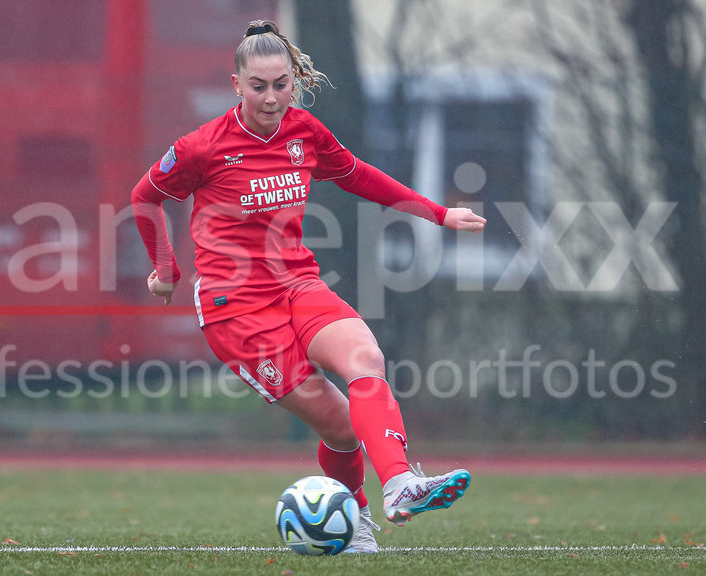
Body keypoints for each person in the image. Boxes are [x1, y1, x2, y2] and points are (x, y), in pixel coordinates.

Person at [131, 19, 486, 553]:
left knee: (366, 359)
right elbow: (145, 196)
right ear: (237, 85)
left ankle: (400, 484)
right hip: (237, 308)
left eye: (281, 84)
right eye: (258, 86)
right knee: (341, 431)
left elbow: (358, 175)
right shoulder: (202, 147)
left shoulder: (305, 131)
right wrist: (167, 269)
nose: (271, 98)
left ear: (293, 81)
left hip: (298, 282)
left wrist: (437, 214)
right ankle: (358, 517)